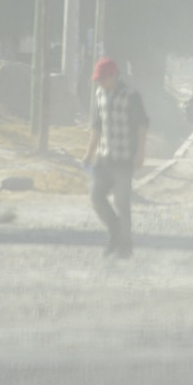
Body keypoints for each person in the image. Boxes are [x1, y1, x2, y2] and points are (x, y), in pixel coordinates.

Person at [82, 57, 149, 259]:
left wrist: (140, 152)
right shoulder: (99, 94)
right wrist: (89, 153)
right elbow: (96, 126)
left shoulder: (131, 95)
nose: (100, 82)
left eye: (103, 78)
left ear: (113, 75)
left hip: (124, 158)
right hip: (104, 158)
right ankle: (116, 233)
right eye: (98, 79)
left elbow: (141, 125)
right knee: (96, 197)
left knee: (122, 202)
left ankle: (125, 247)